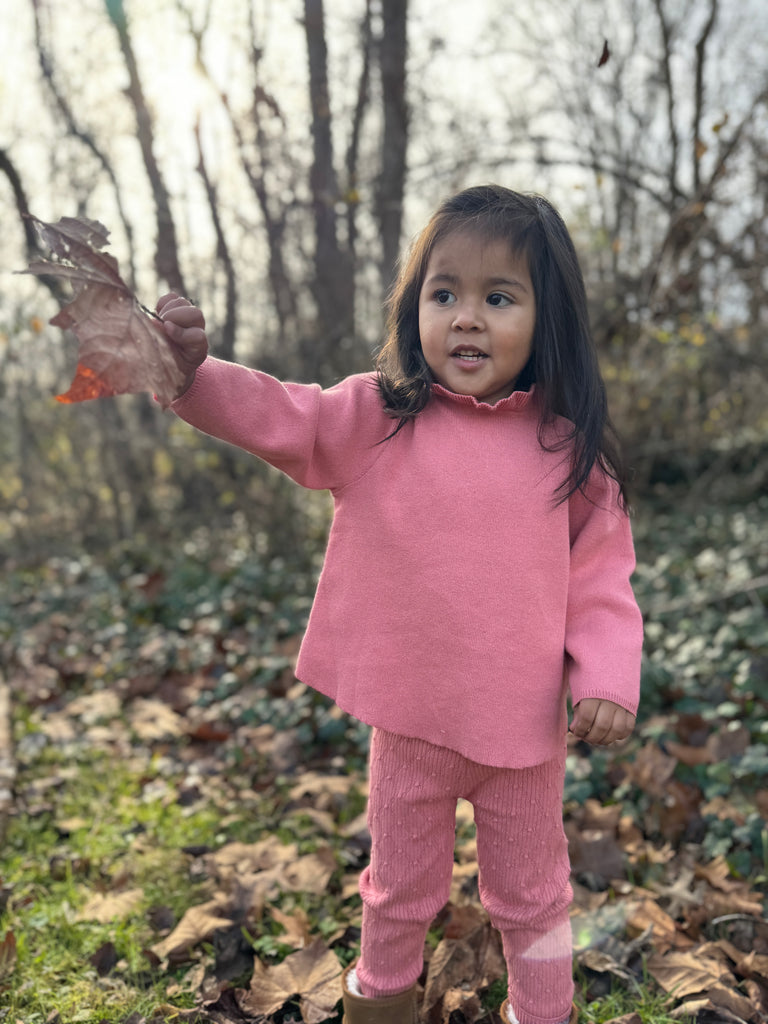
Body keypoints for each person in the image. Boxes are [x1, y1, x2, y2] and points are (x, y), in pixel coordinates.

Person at [157, 184, 643, 1024]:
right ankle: (380, 1007)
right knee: (396, 891)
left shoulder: (572, 454)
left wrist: (605, 672)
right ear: (414, 303)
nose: (465, 317)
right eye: (443, 292)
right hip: (410, 724)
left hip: (521, 735)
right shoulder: (381, 416)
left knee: (535, 899)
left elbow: (602, 581)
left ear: (547, 317)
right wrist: (193, 375)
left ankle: (546, 1013)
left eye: (499, 298)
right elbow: (286, 417)